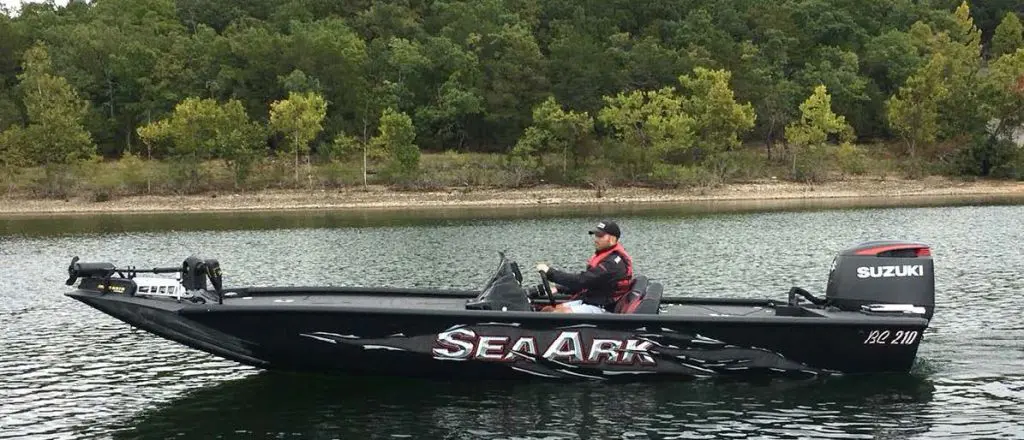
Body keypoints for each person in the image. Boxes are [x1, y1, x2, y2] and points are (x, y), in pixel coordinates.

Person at [534, 220, 633, 313]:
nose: (596, 239)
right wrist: (559, 288)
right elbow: (588, 284)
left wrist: (550, 273)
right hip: (592, 302)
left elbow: (582, 281)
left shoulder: (612, 264)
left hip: (603, 308)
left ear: (612, 239)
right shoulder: (606, 257)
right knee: (547, 310)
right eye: (596, 235)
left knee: (555, 314)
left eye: (600, 236)